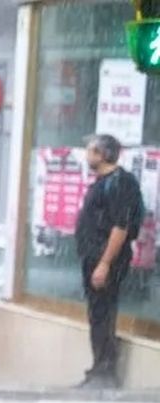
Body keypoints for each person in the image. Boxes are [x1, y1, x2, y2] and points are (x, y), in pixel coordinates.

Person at [76, 133, 145, 389]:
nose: (87, 155)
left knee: (104, 312)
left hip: (106, 259)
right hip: (92, 256)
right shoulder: (102, 181)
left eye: (90, 150)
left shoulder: (120, 183)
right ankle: (98, 367)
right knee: (97, 313)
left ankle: (106, 372)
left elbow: (121, 226)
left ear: (102, 155)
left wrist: (105, 262)